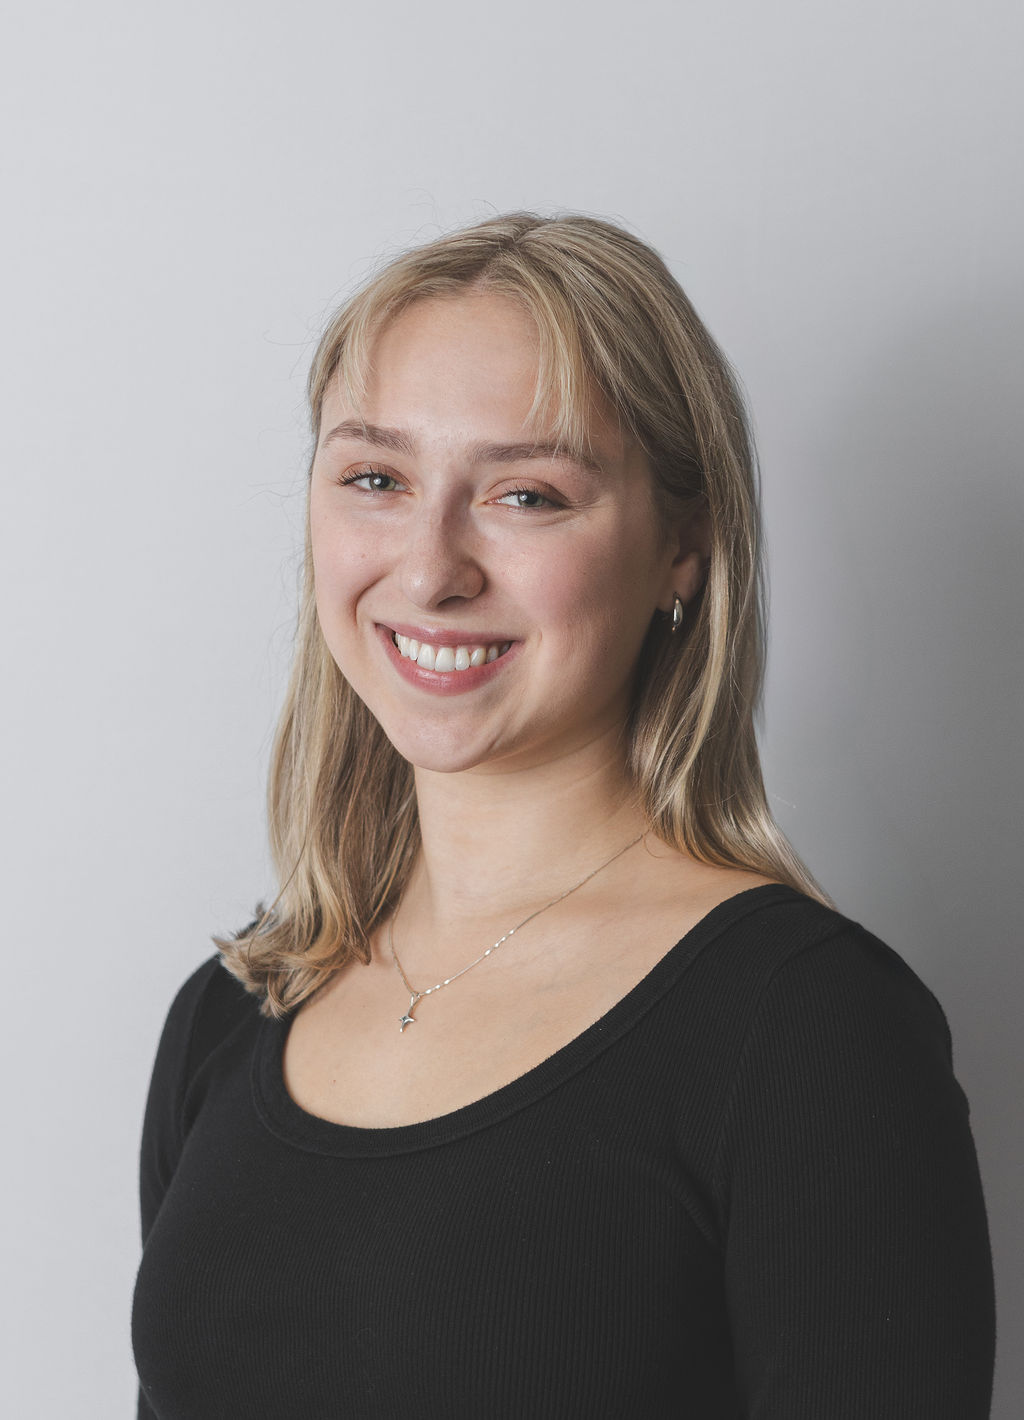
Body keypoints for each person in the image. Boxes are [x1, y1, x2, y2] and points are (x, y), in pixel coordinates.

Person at [132, 213, 996, 1418]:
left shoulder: (809, 1033)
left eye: (527, 494)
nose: (430, 567)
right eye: (375, 478)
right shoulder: (231, 1013)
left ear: (682, 551)